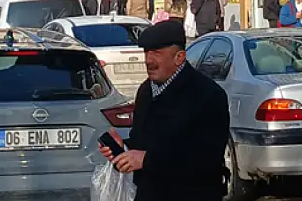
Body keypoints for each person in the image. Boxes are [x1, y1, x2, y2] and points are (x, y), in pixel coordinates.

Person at [98, 21, 229, 201]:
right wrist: (124, 150)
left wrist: (146, 160)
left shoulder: (208, 95)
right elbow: (143, 143)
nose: (148, 60)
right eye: (146, 53)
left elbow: (206, 159)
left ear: (179, 57)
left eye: (157, 53)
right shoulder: (146, 91)